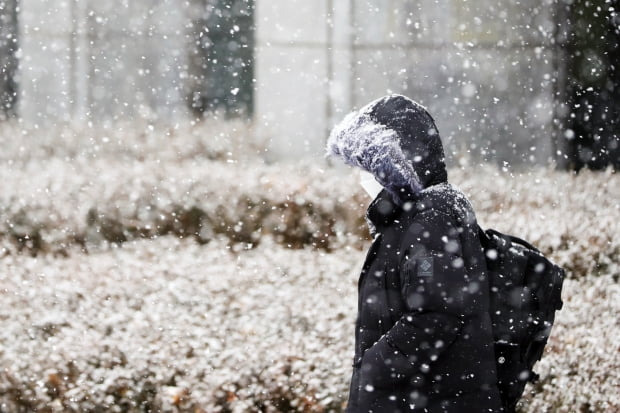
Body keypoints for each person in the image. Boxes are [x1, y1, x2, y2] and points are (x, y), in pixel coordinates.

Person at [325, 94, 503, 412]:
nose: (361, 177)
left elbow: (437, 312)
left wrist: (376, 367)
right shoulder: (414, 217)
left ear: (395, 162)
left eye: (367, 165)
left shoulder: (430, 216)